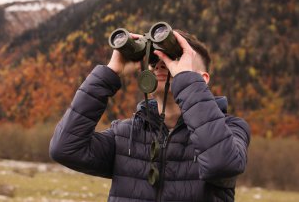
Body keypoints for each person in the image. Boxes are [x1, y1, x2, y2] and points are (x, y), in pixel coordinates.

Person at [49, 29, 250, 202]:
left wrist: (185, 81)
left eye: (176, 59)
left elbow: (222, 164)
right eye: (154, 60)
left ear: (202, 79)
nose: (161, 64)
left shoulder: (230, 129)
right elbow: (65, 149)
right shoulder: (125, 134)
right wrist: (110, 73)